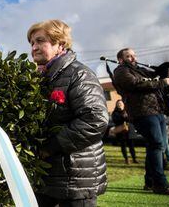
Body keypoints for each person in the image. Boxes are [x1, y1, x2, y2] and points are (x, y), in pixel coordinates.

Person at [27, 19, 108, 207]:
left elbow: (95, 120)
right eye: (32, 43)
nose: (34, 47)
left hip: (76, 178)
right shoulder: (37, 79)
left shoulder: (78, 74)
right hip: (45, 176)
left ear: (60, 44)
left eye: (40, 41)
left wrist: (50, 146)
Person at [113, 48, 169, 195]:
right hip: (142, 113)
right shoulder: (121, 71)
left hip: (156, 110)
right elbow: (136, 85)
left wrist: (166, 71)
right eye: (129, 56)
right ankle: (160, 184)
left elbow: (153, 75)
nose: (133, 58)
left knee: (156, 146)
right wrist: (162, 82)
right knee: (156, 144)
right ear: (121, 60)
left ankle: (150, 181)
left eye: (134, 55)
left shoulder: (139, 70)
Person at [111, 99, 138, 164]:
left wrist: (124, 112)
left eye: (120, 103)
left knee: (131, 146)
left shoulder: (127, 111)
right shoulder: (115, 113)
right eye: (118, 104)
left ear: (123, 104)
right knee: (123, 146)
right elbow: (116, 120)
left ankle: (134, 159)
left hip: (129, 130)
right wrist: (123, 116)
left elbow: (131, 119)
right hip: (121, 131)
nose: (119, 104)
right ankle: (126, 159)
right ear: (116, 105)